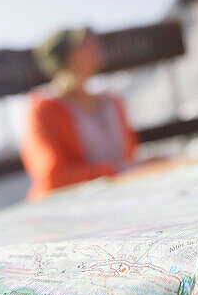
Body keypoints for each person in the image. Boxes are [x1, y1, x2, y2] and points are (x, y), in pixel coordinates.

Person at [20, 27, 139, 199]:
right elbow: (53, 177)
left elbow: (130, 158)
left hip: (120, 198)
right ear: (68, 57)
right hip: (67, 209)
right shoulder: (44, 108)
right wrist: (118, 171)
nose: (94, 47)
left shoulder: (113, 103)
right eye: (84, 45)